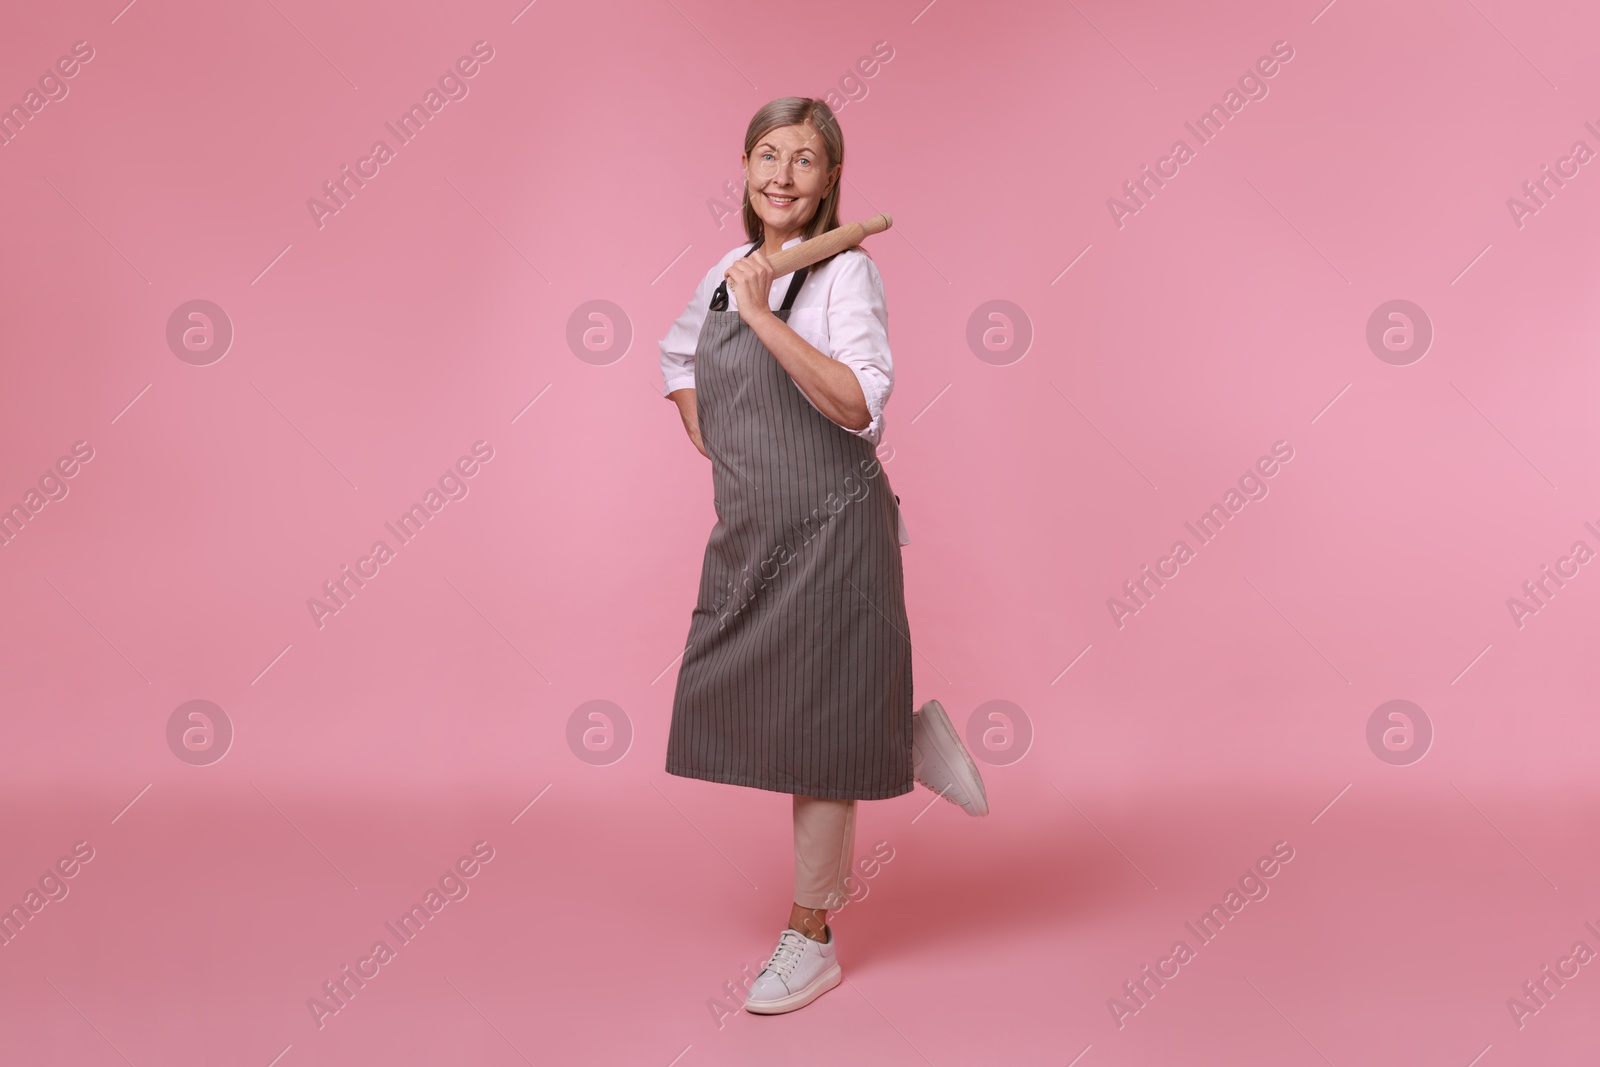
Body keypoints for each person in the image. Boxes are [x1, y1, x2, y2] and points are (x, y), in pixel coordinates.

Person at [659, 97, 989, 1016]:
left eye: (804, 160)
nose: (781, 175)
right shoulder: (726, 270)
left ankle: (811, 937)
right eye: (768, 154)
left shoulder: (849, 275)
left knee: (816, 736)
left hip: (837, 531)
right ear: (746, 166)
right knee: (727, 687)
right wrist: (720, 439)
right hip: (753, 527)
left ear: (830, 179)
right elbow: (677, 359)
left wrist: (767, 320)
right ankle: (903, 735)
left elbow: (856, 405)